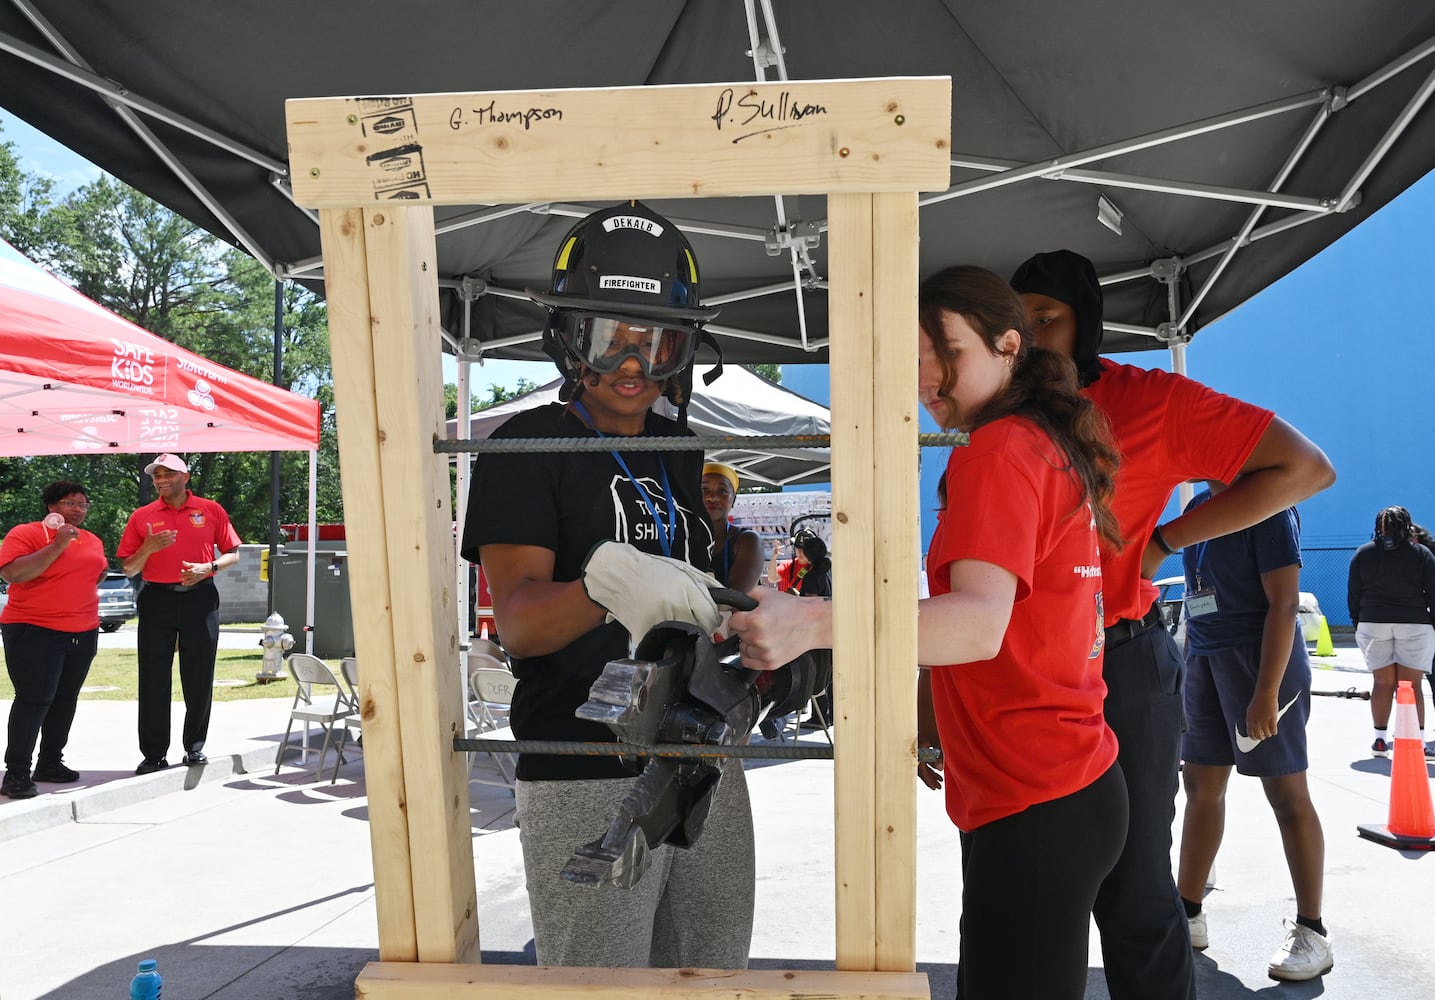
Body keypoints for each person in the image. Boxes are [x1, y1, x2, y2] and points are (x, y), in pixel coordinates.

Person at [730, 265, 1128, 999]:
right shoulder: (1039, 440)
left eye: (943, 353)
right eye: (913, 360)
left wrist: (813, 622)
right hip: (1060, 783)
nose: (925, 378)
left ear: (1008, 344)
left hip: (1035, 795)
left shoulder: (1003, 447)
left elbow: (977, 625)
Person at [1010, 249, 1335, 999]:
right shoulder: (996, 409)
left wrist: (1165, 540)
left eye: (1045, 319)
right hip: (1020, 668)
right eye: (1015, 324)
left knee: (1133, 887)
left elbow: (1305, 469)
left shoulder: (1150, 400)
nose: (1028, 340)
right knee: (1027, 881)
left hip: (1124, 663)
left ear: (1084, 324)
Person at [459, 200, 753, 969]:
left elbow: (698, 593)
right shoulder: (527, 445)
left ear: (685, 348)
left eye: (657, 343)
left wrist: (755, 633)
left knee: (713, 973)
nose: (633, 364)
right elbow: (519, 625)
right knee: (599, 981)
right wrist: (605, 585)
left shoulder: (677, 444)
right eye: (609, 338)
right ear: (566, 340)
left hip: (700, 751)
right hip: (581, 760)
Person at [1174, 483, 1331, 980]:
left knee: (1287, 796)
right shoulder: (1199, 506)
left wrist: (1266, 692)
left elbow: (1284, 605)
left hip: (1261, 665)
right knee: (1200, 788)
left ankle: (1313, 932)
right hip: (1205, 659)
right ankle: (1188, 914)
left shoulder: (1269, 503)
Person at [117, 454, 242, 775]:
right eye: (156, 475)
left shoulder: (210, 509)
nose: (161, 479)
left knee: (199, 675)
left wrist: (208, 568)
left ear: (186, 476)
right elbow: (129, 566)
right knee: (153, 677)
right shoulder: (141, 516)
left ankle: (195, 747)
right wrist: (148, 547)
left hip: (200, 598)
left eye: (168, 473)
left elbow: (233, 554)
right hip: (156, 598)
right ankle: (154, 754)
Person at [0, 481, 108, 799]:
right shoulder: (27, 533)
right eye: (69, 503)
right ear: (51, 507)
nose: (77, 509)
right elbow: (12, 574)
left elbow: (98, 573)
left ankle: (49, 762)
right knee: (34, 699)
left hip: (83, 630)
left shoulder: (92, 540)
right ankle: (17, 772)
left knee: (65, 700)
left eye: (83, 504)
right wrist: (58, 545)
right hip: (33, 629)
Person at [1347, 505, 1435, 757]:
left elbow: (1354, 594)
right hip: (1415, 624)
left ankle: (1379, 741)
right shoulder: (1421, 554)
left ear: (1379, 527)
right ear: (1407, 526)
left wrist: (1359, 622)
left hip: (1372, 622)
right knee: (1411, 685)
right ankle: (1418, 741)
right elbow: (1433, 591)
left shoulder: (1363, 553)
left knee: (1382, 683)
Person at [701, 461, 762, 591]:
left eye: (722, 491)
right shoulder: (680, 536)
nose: (712, 497)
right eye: (704, 489)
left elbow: (735, 597)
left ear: (733, 499)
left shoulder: (747, 540)